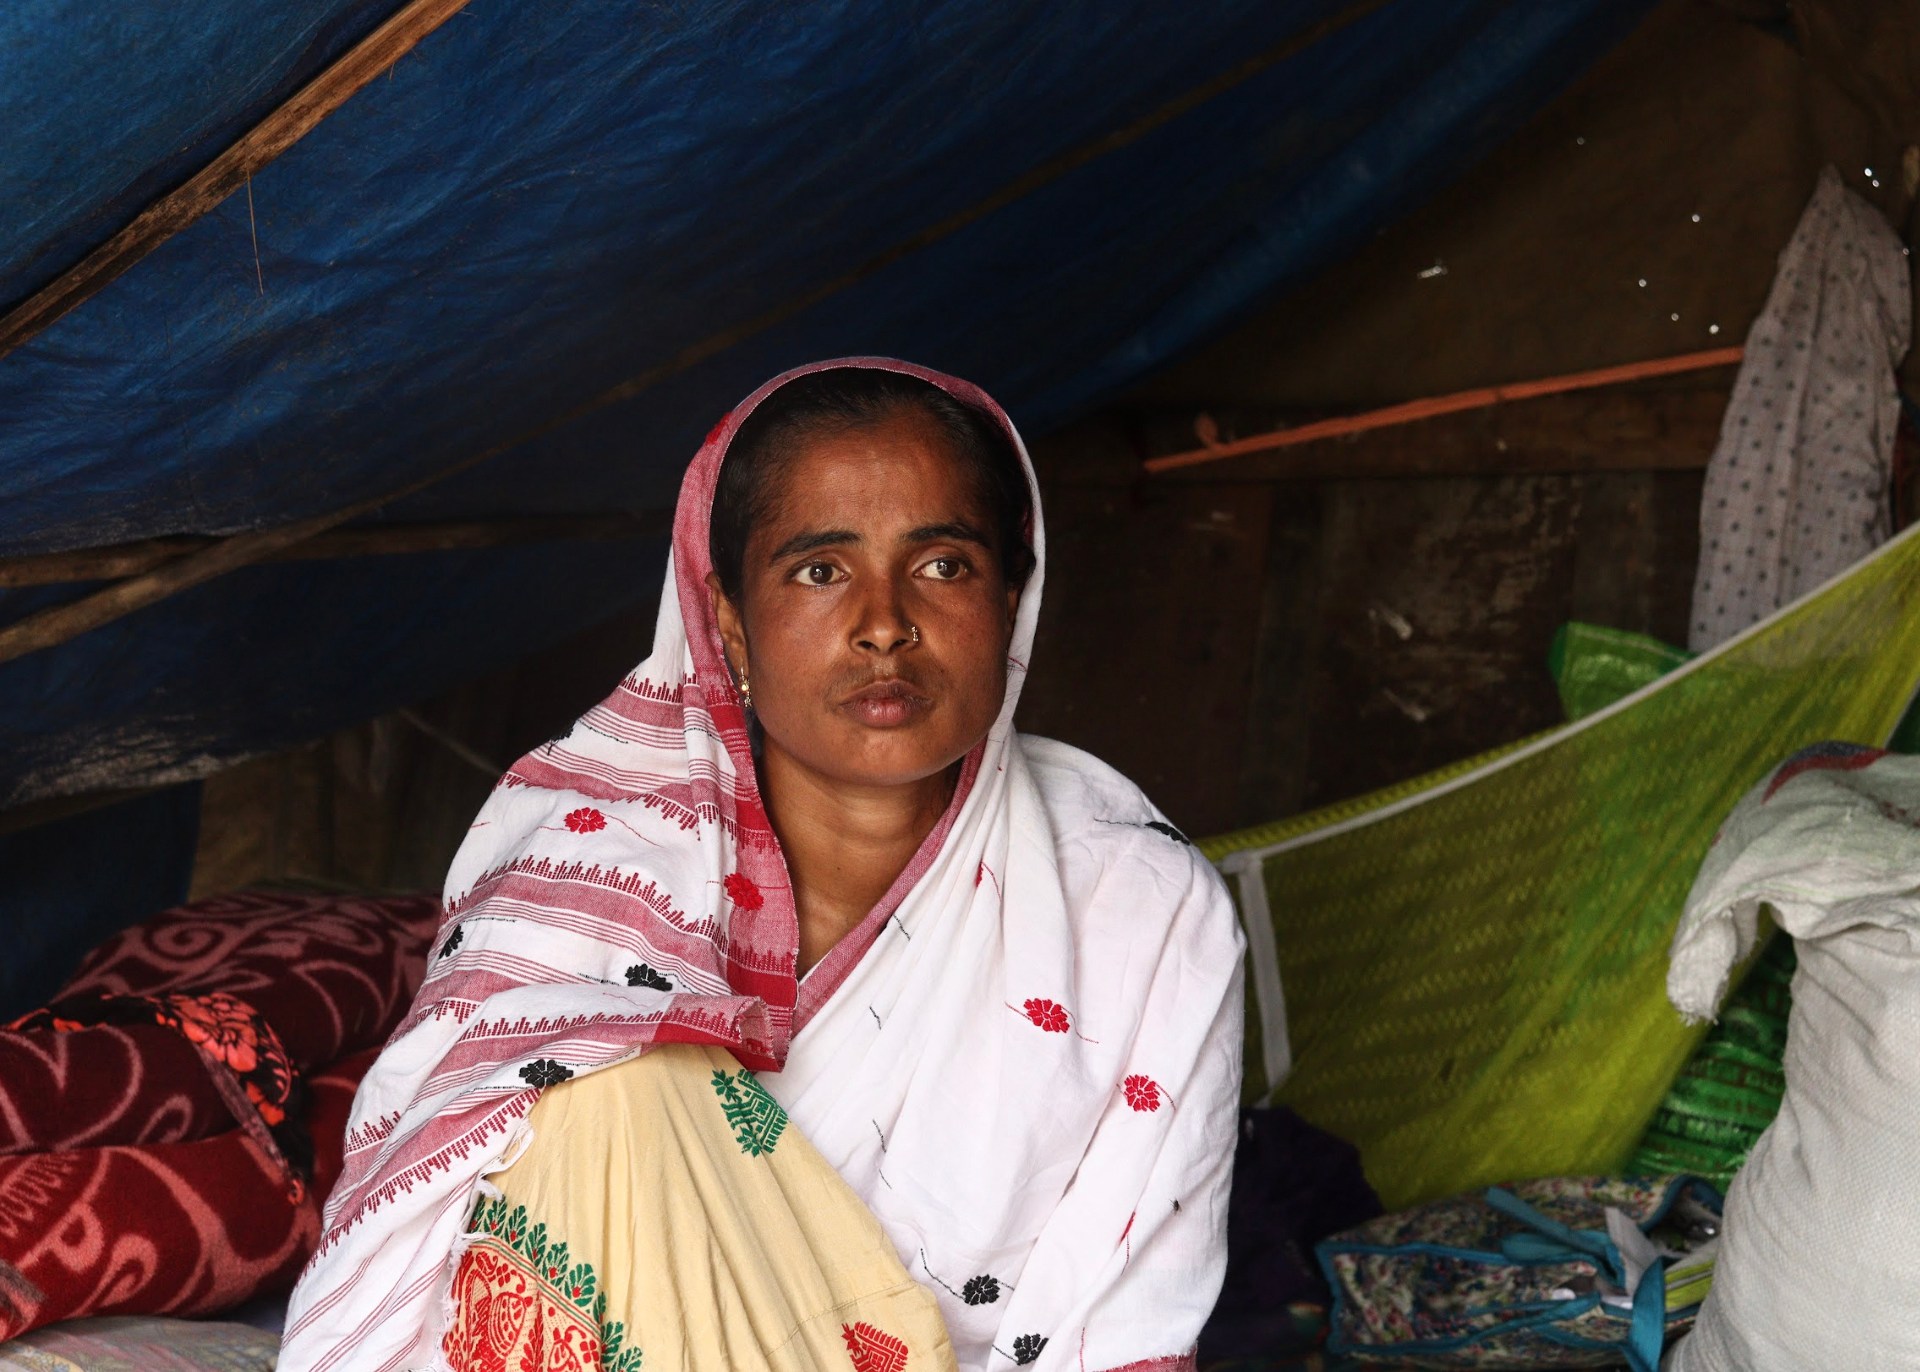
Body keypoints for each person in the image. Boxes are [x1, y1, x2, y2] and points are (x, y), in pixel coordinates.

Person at [277, 359, 1245, 1372]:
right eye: (821, 570)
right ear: (731, 624)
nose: (884, 623)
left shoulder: (1138, 908)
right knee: (594, 1083)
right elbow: (429, 1210)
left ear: (1012, 595)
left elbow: (1126, 1327)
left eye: (942, 565)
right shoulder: (588, 867)